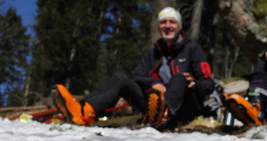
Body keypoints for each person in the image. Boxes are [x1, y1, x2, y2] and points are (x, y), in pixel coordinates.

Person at [52, 7, 217, 130]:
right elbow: (137, 75)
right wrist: (153, 83)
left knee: (179, 77)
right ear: (159, 26)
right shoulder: (153, 53)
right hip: (153, 105)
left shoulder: (192, 49)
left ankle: (163, 114)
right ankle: (83, 113)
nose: (167, 26)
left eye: (172, 22)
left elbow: (208, 83)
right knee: (120, 78)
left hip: (185, 107)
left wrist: (194, 84)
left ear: (179, 26)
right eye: (163, 22)